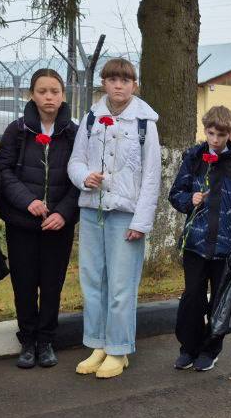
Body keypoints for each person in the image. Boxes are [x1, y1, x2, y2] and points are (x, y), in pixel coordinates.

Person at [66, 57, 161, 380]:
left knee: (121, 285)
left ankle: (119, 349)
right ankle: (98, 344)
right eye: (112, 79)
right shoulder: (91, 118)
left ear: (134, 85)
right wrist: (84, 177)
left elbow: (151, 177)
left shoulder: (145, 122)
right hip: (93, 209)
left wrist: (141, 222)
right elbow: (75, 160)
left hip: (126, 214)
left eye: (125, 80)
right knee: (93, 282)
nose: (118, 85)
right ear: (104, 83)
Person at [0, 68, 79, 369]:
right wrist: (27, 201)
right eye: (42, 91)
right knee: (25, 284)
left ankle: (46, 340)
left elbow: (79, 179)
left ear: (63, 96)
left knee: (52, 284)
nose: (48, 97)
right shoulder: (17, 132)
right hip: (23, 224)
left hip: (58, 225)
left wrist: (63, 212)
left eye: (54, 91)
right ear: (31, 94)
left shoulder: (73, 133)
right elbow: (3, 172)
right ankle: (28, 340)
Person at [168, 105, 231, 372]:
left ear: (230, 134)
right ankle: (188, 347)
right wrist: (190, 199)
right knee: (192, 297)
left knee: (219, 301)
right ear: (205, 131)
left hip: (225, 244)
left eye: (220, 135)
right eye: (210, 133)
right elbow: (176, 193)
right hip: (196, 242)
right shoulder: (194, 157)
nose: (214, 140)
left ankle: (211, 349)